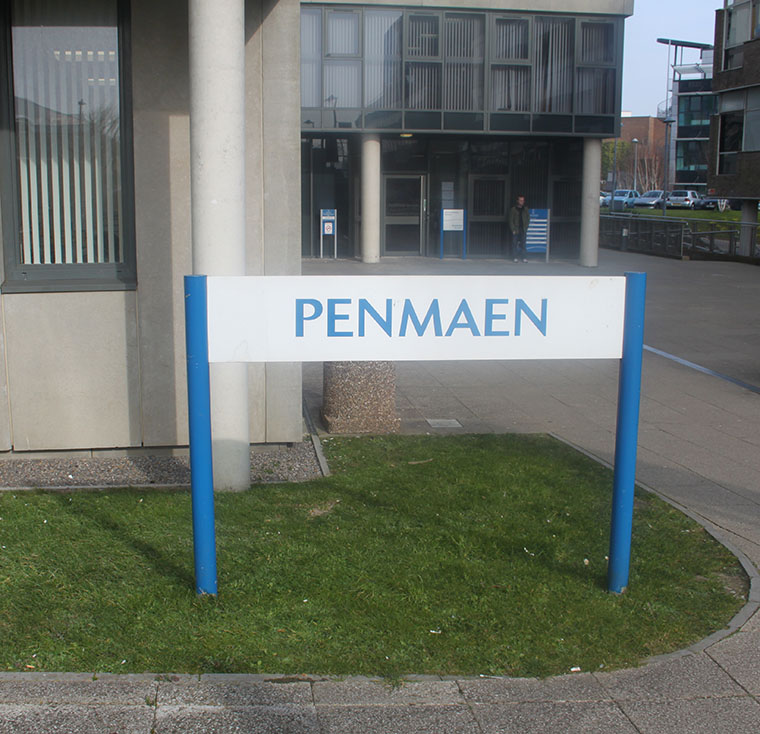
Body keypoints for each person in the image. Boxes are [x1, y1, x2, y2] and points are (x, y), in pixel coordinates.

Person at [509, 195, 530, 263]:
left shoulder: (525, 209)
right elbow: (510, 220)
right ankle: (515, 257)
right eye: (520, 200)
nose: (522, 202)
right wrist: (513, 229)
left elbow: (528, 218)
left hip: (523, 229)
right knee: (514, 244)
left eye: (523, 200)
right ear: (517, 201)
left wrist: (526, 227)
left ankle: (524, 257)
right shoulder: (513, 209)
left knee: (523, 244)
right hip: (516, 229)